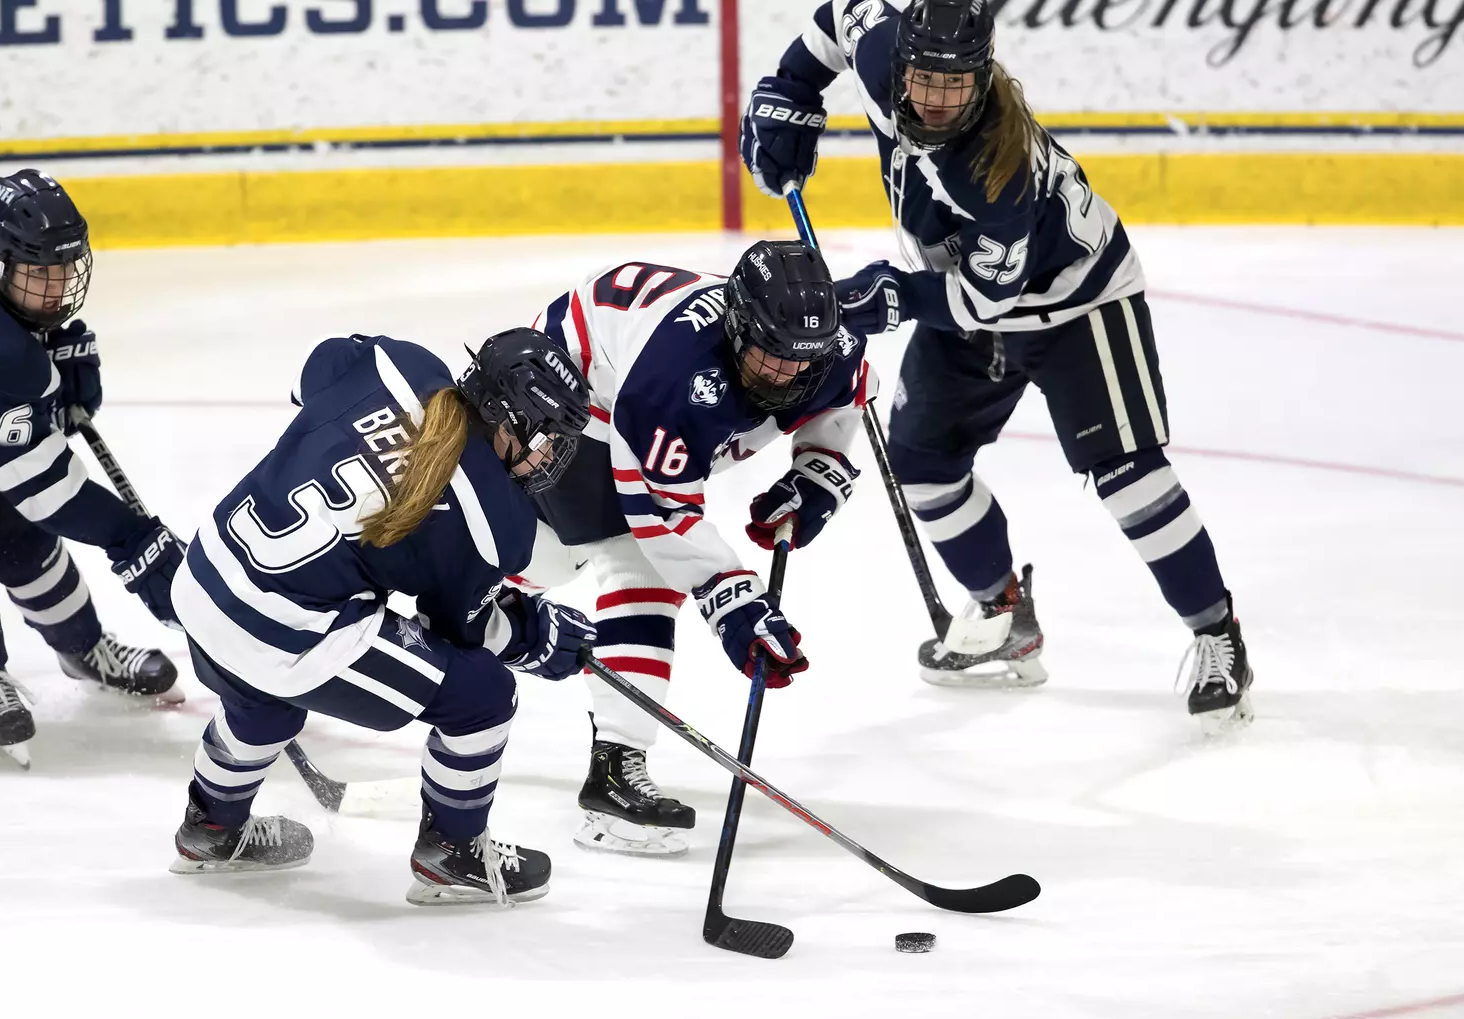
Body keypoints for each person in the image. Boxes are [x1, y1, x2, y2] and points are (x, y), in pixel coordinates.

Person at [741, 0, 1254, 733]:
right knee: (922, 465)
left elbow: (982, 299)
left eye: (959, 83)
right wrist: (791, 89)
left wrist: (895, 293)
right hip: (967, 294)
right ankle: (1004, 613)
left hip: (1077, 303)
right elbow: (838, 18)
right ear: (904, 65)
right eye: (926, 79)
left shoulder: (994, 168)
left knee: (1127, 475)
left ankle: (1217, 633)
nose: (941, 98)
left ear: (982, 76)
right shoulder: (885, 52)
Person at [167, 327, 597, 906]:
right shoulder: (498, 523)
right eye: (543, 435)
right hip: (283, 630)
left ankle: (211, 827)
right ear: (502, 413)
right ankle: (455, 851)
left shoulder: (394, 361)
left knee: (262, 698)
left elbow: (315, 371)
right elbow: (460, 634)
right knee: (483, 696)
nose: (547, 455)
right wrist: (530, 636)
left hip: (204, 576)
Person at [521, 240, 875, 855]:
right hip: (578, 388)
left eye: (801, 362)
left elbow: (841, 404)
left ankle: (431, 621)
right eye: (769, 358)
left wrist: (819, 473)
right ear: (737, 327)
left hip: (632, 372)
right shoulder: (673, 379)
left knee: (538, 562)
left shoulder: (830, 348)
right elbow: (661, 513)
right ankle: (612, 781)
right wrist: (733, 599)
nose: (785, 376)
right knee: (621, 560)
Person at [0, 169, 185, 768]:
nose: (59, 287)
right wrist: (130, 536)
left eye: (66, 268)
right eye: (40, 273)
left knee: (6, 513)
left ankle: (84, 649)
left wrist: (50, 374)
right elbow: (47, 489)